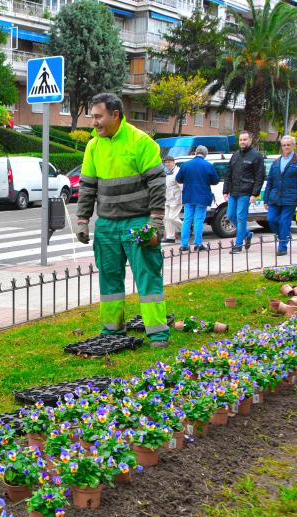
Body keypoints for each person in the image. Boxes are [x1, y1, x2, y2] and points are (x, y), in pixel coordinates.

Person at [75, 92, 169, 348]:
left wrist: (156, 222)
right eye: (92, 116)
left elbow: (157, 184)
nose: (93, 122)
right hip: (106, 225)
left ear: (115, 115)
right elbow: (87, 187)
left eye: (98, 116)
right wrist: (83, 219)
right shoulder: (94, 146)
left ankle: (158, 334)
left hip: (138, 223)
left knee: (147, 276)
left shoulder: (140, 142)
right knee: (109, 278)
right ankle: (112, 330)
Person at [265, 135, 297, 257]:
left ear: (293, 146)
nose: (286, 147)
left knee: (284, 221)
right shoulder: (276, 162)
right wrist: (266, 199)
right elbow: (269, 182)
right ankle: (284, 236)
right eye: (284, 145)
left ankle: (282, 247)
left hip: (290, 198)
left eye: (288, 145)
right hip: (274, 197)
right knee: (271, 219)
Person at [223, 131, 265, 253]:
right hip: (233, 192)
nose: (242, 142)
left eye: (245, 139)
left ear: (250, 140)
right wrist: (225, 190)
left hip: (246, 192)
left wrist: (254, 193)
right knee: (230, 215)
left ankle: (238, 244)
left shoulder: (256, 156)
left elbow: (260, 176)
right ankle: (247, 234)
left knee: (241, 217)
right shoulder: (235, 155)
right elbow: (228, 174)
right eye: (241, 139)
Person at [175, 145, 220, 252]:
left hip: (188, 196)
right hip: (202, 197)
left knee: (187, 220)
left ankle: (184, 245)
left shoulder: (185, 165)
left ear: (195, 153)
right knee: (198, 220)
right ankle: (198, 244)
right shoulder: (208, 165)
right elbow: (215, 181)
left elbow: (178, 179)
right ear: (205, 154)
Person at [162, 156, 182, 244]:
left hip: (176, 198)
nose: (167, 164)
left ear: (174, 162)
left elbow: (182, 186)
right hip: (167, 198)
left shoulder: (177, 171)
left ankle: (186, 229)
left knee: (172, 217)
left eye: (169, 162)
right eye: (165, 162)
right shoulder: (165, 172)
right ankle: (170, 237)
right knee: (166, 218)